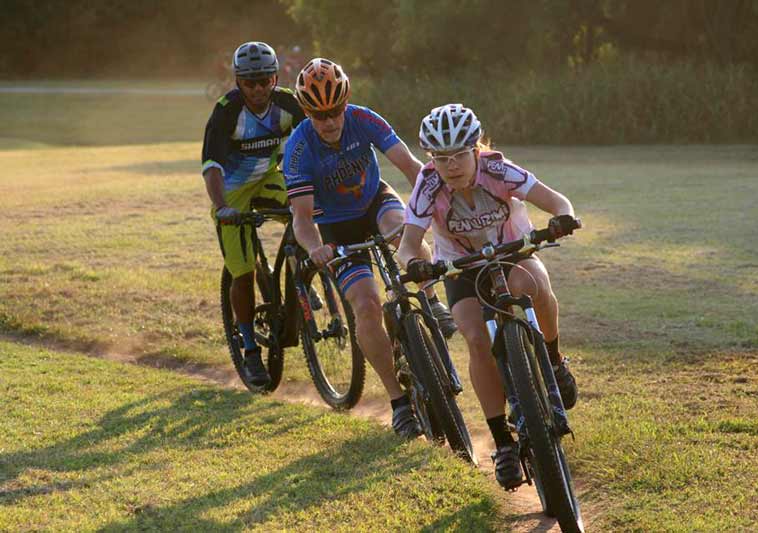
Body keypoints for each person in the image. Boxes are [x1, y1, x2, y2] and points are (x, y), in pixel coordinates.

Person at [396, 103, 580, 489]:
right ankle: (504, 444)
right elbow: (409, 244)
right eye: (441, 158)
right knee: (476, 339)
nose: (451, 165)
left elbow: (555, 199)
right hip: (461, 267)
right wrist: (415, 263)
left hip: (512, 251)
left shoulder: (498, 168)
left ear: (475, 149)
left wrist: (563, 217)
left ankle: (553, 359)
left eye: (460, 155)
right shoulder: (428, 185)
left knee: (536, 288)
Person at [283, 58, 456, 439]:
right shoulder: (298, 149)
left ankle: (431, 300)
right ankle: (398, 402)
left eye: (335, 111)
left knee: (400, 229)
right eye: (319, 114)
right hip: (335, 228)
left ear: (346, 104)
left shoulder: (365, 120)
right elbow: (302, 219)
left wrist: (436, 208)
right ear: (307, 112)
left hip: (376, 201)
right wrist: (315, 248)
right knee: (366, 305)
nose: (329, 122)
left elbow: (413, 168)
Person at [201, 41, 305, 388]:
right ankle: (248, 347)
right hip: (233, 190)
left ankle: (300, 271)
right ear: (238, 81)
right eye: (250, 82)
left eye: (265, 81)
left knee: (307, 207)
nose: (259, 89)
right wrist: (222, 207)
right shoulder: (226, 110)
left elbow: (316, 137)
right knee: (242, 271)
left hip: (270, 176)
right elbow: (212, 165)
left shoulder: (289, 102)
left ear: (276, 77)